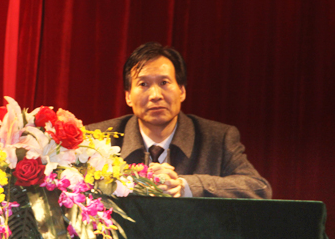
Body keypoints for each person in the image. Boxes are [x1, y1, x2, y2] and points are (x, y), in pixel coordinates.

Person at [88, 42, 272, 198]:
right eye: (143, 84)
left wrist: (186, 186)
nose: (155, 95)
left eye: (164, 83)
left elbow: (259, 188)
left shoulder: (218, 138)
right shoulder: (98, 140)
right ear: (128, 96)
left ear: (182, 91)